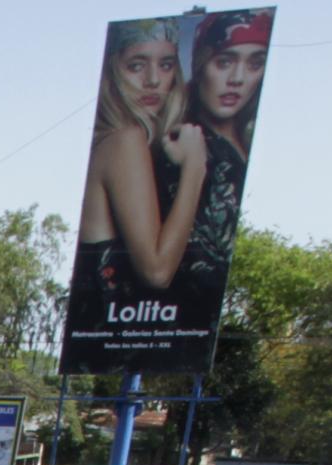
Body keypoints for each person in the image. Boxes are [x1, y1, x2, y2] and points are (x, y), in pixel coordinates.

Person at [68, 20, 209, 342]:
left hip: (103, 338)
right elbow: (157, 272)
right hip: (114, 340)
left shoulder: (120, 141)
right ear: (114, 70)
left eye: (166, 64)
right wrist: (195, 169)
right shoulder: (124, 141)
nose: (153, 80)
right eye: (137, 65)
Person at [179, 9, 270, 309]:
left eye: (255, 62)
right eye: (225, 61)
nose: (238, 79)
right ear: (201, 63)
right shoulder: (182, 146)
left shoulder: (244, 143)